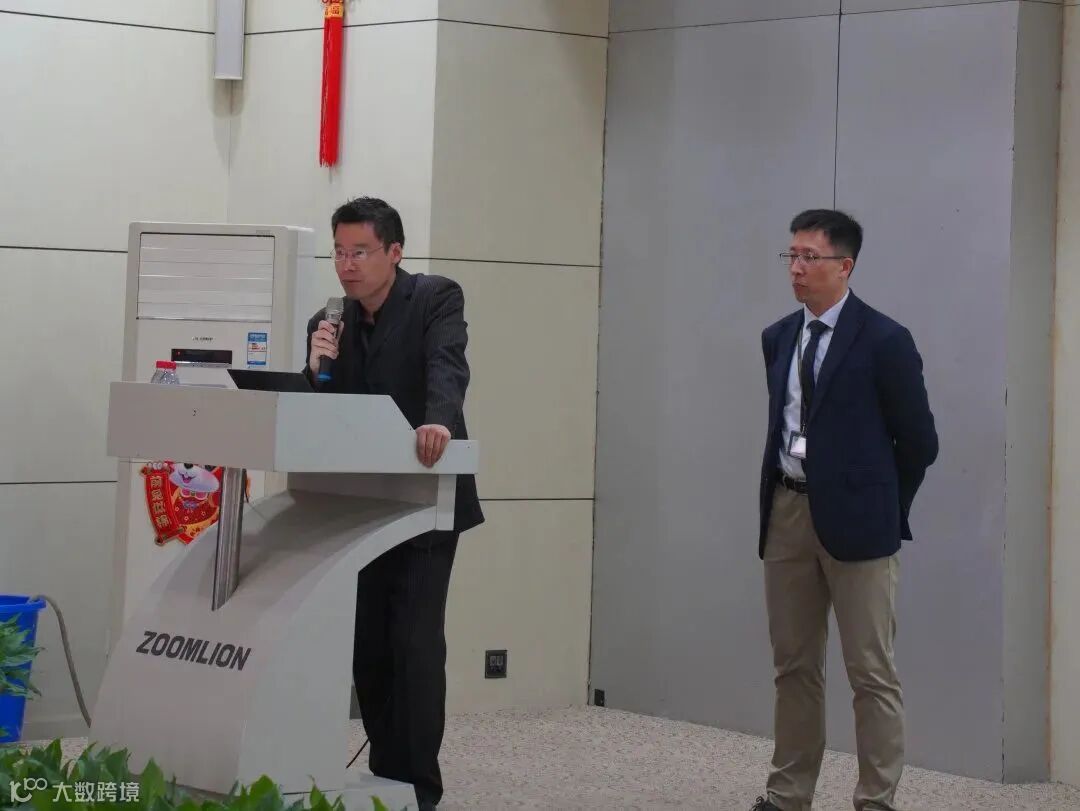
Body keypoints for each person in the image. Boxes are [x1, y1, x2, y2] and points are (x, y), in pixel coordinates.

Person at [751, 210, 938, 811]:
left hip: (860, 522)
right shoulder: (778, 337)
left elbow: (919, 442)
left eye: (810, 257)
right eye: (792, 255)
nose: (796, 268)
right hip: (787, 512)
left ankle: (875, 800)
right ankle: (787, 795)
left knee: (870, 671)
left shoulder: (884, 340)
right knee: (793, 666)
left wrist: (883, 505)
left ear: (845, 266)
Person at [305, 196, 484, 810]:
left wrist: (439, 422)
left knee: (413, 643)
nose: (347, 265)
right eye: (338, 252)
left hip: (427, 498)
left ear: (395, 252)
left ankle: (418, 790)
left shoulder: (434, 297)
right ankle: (386, 774)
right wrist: (315, 369)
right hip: (360, 505)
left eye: (360, 252)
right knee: (369, 646)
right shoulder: (329, 322)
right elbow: (322, 414)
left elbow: (447, 366)